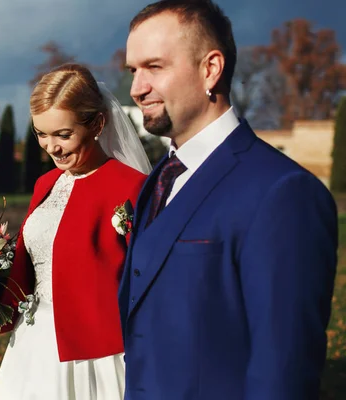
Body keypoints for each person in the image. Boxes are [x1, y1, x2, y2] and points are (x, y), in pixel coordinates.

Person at [119, 1, 338, 399]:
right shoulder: (157, 183)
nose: (136, 88)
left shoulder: (283, 192)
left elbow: (283, 370)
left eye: (155, 67)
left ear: (211, 69)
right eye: (133, 71)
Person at [0, 63, 151, 399]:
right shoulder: (45, 184)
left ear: (97, 124)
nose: (52, 147)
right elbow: (30, 263)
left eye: (64, 134)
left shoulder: (132, 187)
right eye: (41, 134)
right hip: (32, 344)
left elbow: (149, 281)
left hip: (99, 351)